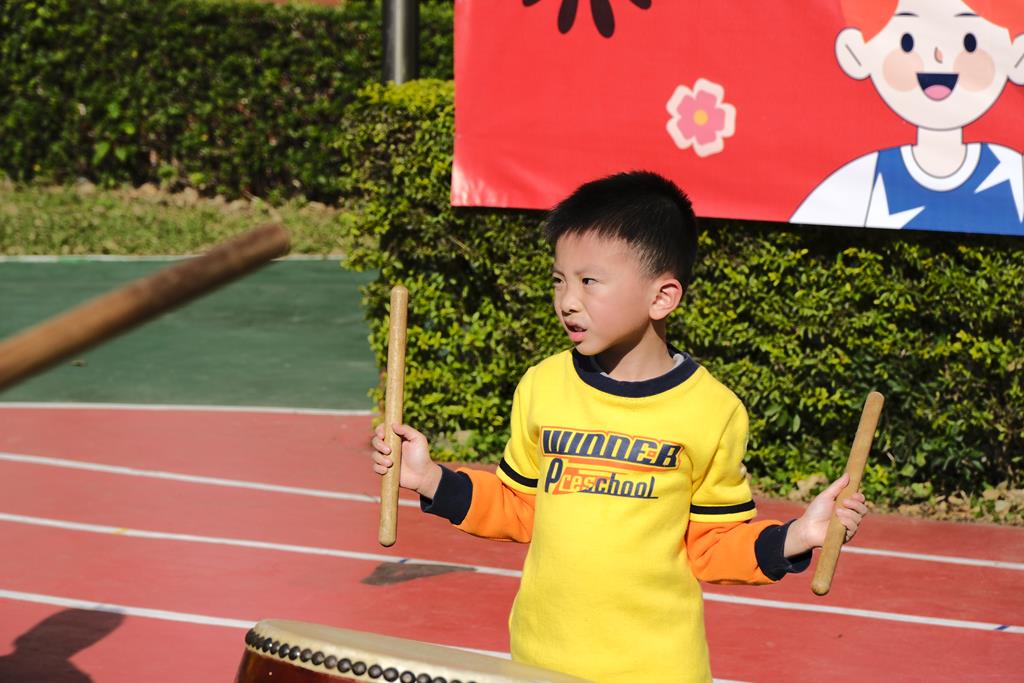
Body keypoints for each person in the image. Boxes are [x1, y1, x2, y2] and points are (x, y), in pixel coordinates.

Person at [371, 170, 868, 683]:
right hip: (538, 663)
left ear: (662, 297)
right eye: (559, 280)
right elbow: (519, 508)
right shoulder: (542, 385)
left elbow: (711, 546)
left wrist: (797, 537)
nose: (567, 300)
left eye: (589, 281)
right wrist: (431, 479)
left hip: (657, 671)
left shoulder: (714, 410)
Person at [791, 0, 1024, 234]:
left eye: (970, 43)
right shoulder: (866, 177)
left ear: (1017, 57)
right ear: (856, 53)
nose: (939, 55)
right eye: (907, 42)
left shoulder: (1010, 170)